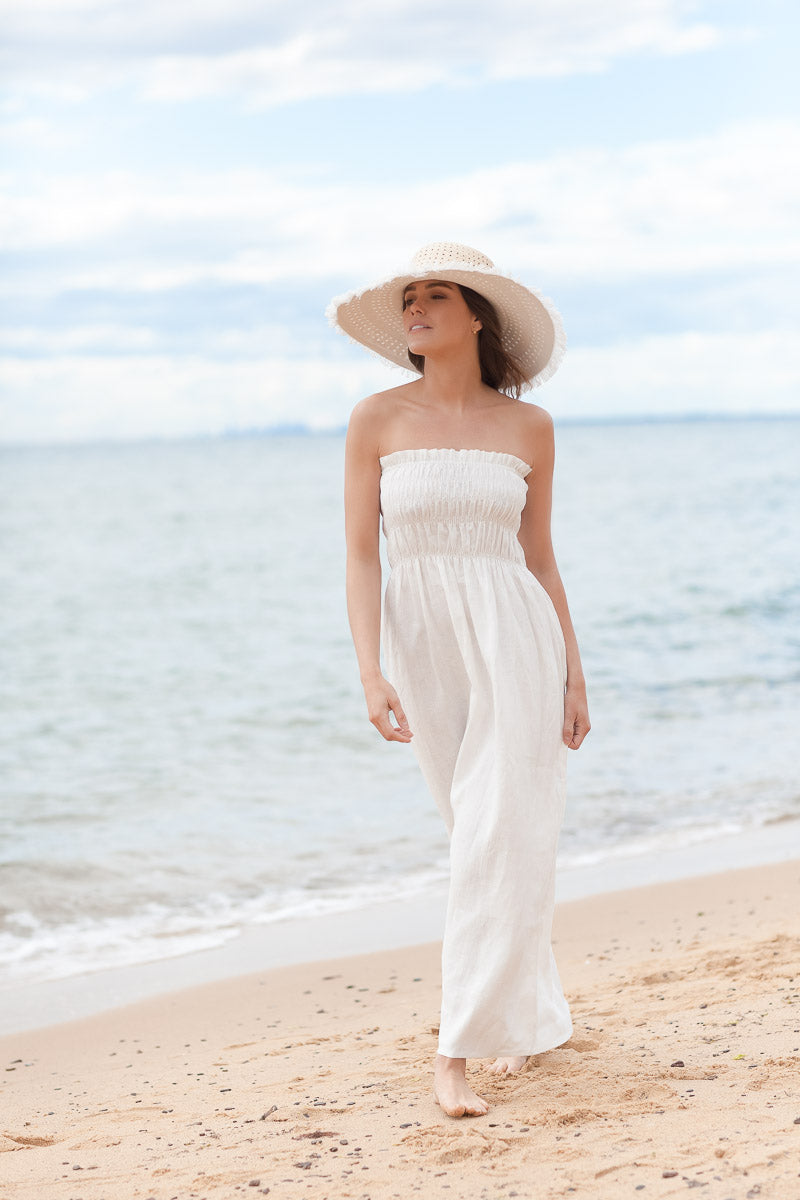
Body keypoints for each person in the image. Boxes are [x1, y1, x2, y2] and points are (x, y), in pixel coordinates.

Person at [328, 242, 590, 1119]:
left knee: (498, 829)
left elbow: (542, 560)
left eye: (435, 294)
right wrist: (369, 669)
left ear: (477, 316)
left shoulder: (530, 428)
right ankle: (530, 1014)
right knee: (474, 828)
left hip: (516, 631)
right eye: (410, 297)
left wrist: (573, 676)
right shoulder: (377, 418)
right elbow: (363, 557)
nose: (417, 307)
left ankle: (457, 1048)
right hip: (424, 636)